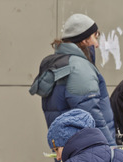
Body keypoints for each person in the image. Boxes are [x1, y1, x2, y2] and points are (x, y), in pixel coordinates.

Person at [41, 13, 116, 146]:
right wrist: (111, 149)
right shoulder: (79, 68)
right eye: (95, 37)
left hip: (70, 150)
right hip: (89, 154)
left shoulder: (60, 64)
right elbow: (92, 115)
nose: (97, 45)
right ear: (84, 40)